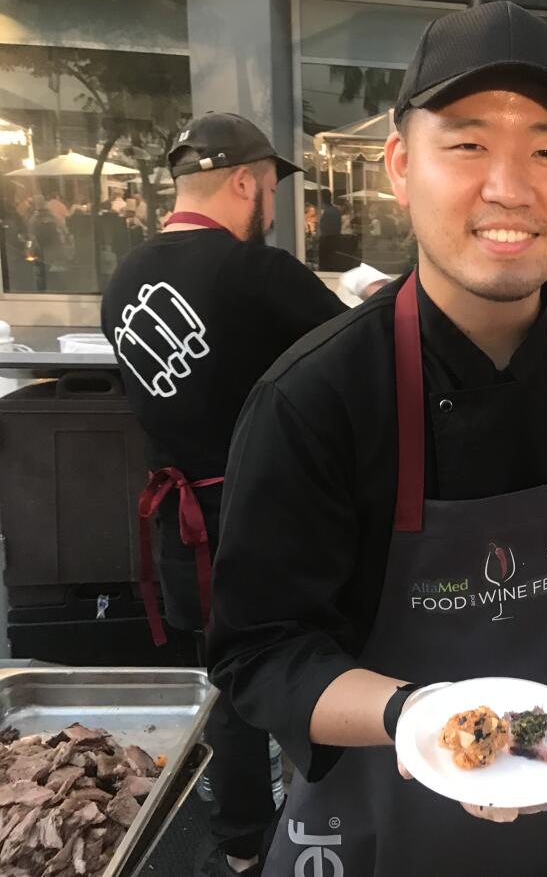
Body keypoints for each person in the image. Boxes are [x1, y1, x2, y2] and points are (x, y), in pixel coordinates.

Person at [208, 2, 547, 877]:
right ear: (401, 167)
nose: (510, 188)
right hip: (386, 800)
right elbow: (260, 652)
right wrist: (421, 717)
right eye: (468, 143)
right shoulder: (316, 395)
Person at [100, 112, 354, 877]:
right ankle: (330, 824)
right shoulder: (257, 271)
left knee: (228, 682)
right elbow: (355, 355)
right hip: (266, 517)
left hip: (184, 528)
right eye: (271, 187)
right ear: (245, 180)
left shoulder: (123, 279)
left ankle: (242, 843)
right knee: (305, 667)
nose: (271, 204)